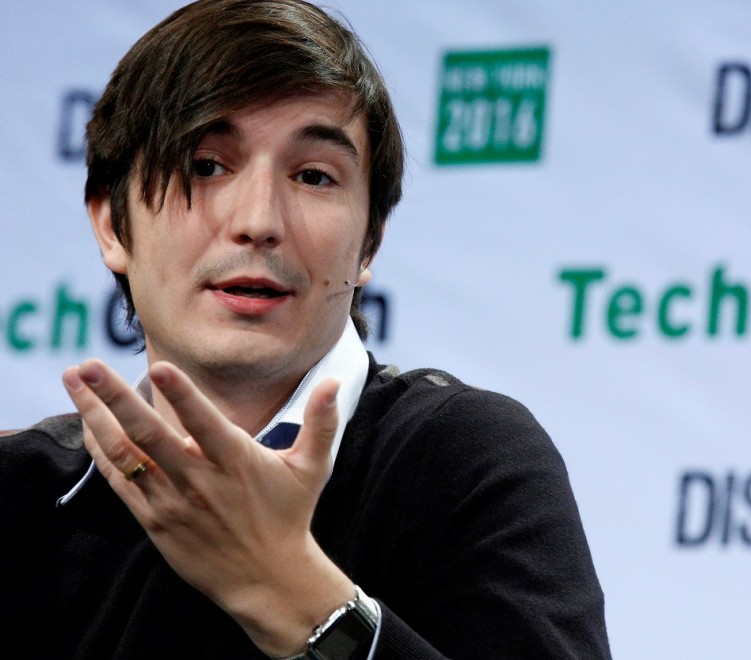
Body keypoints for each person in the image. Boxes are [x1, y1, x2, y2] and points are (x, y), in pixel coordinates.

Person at [0, 1, 610, 658]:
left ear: (368, 243)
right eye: (207, 165)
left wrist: (293, 591)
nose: (259, 219)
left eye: (314, 176)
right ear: (113, 226)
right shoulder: (19, 497)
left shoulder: (463, 460)